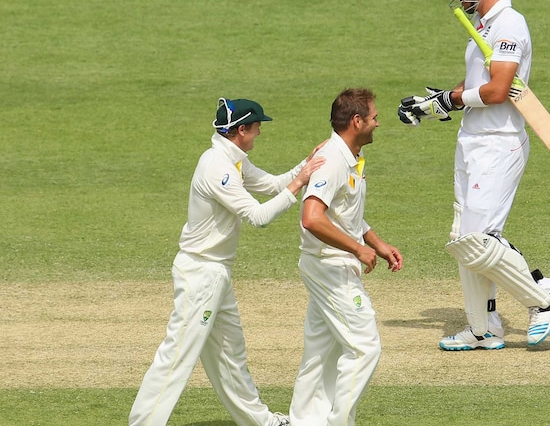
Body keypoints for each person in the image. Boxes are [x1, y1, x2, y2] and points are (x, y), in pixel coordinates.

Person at [398, 0, 550, 351]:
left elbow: (497, 90)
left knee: (477, 238)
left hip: (499, 140)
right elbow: (476, 81)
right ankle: (482, 328)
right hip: (472, 139)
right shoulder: (484, 25)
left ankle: (542, 297)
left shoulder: (510, 23)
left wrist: (452, 100)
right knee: (464, 239)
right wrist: (434, 102)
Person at [129, 97, 325, 426]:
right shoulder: (217, 166)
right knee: (177, 356)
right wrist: (299, 182)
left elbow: (273, 184)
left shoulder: (233, 159)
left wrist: (306, 165)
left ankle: (261, 422)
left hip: (216, 274)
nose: (260, 132)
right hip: (200, 273)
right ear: (241, 130)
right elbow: (258, 216)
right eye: (257, 126)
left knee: (230, 356)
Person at [288, 88, 403, 426]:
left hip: (329, 264)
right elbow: (312, 217)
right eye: (374, 117)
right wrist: (356, 248)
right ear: (357, 121)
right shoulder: (333, 161)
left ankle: (304, 421)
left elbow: (344, 214)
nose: (377, 123)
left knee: (321, 352)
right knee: (365, 347)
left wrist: (376, 243)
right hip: (330, 267)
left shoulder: (348, 156)